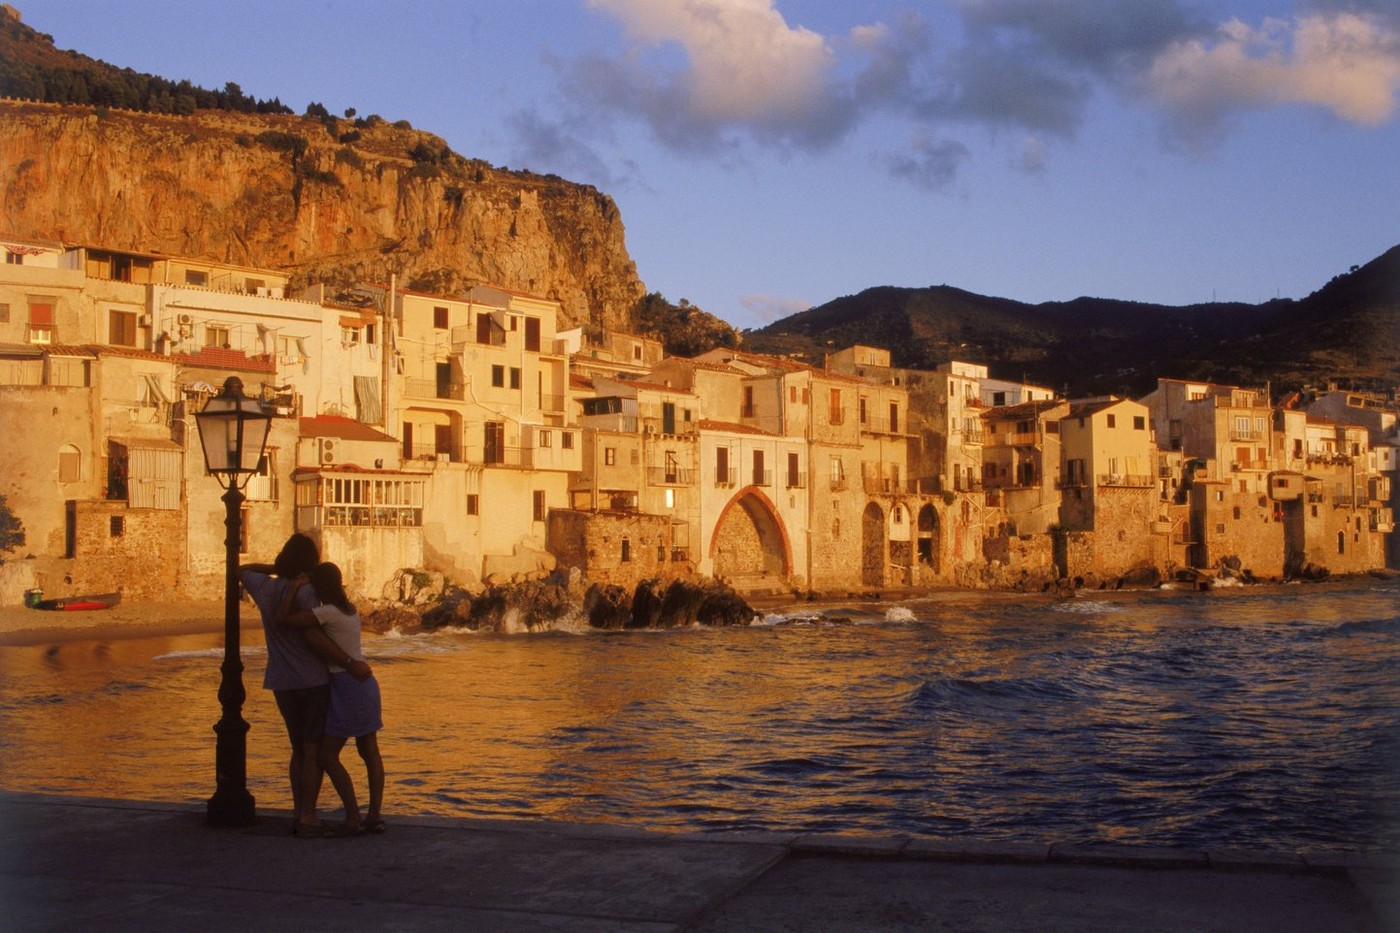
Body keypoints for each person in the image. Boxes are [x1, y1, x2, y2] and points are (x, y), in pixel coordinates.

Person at [239, 534, 369, 835]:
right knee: (312, 750)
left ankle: (299, 811)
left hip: (281, 680)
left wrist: (277, 568)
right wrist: (350, 664)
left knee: (296, 748)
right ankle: (308, 815)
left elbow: (240, 570)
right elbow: (314, 636)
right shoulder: (307, 590)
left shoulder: (264, 586)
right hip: (313, 679)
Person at [277, 561, 385, 835]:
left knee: (326, 755)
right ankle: (374, 815)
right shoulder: (350, 611)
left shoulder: (325, 613)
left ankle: (352, 816)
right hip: (366, 685)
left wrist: (293, 589)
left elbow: (283, 619)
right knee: (370, 752)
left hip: (347, 684)